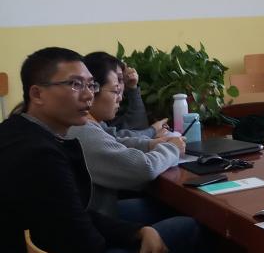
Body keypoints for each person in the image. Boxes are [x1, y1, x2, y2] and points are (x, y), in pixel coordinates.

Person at [0, 47, 224, 253]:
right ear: (37, 94)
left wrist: (136, 232)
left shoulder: (17, 131)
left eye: (90, 85)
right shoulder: (40, 154)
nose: (87, 95)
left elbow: (75, 213)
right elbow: (85, 243)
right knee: (192, 227)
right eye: (74, 84)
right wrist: (132, 236)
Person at [67, 51, 184, 220]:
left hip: (99, 214)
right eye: (116, 90)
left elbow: (113, 140)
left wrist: (150, 144)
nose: (120, 97)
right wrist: (172, 148)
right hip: (98, 224)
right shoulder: (81, 130)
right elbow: (143, 170)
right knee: (192, 222)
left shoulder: (85, 124)